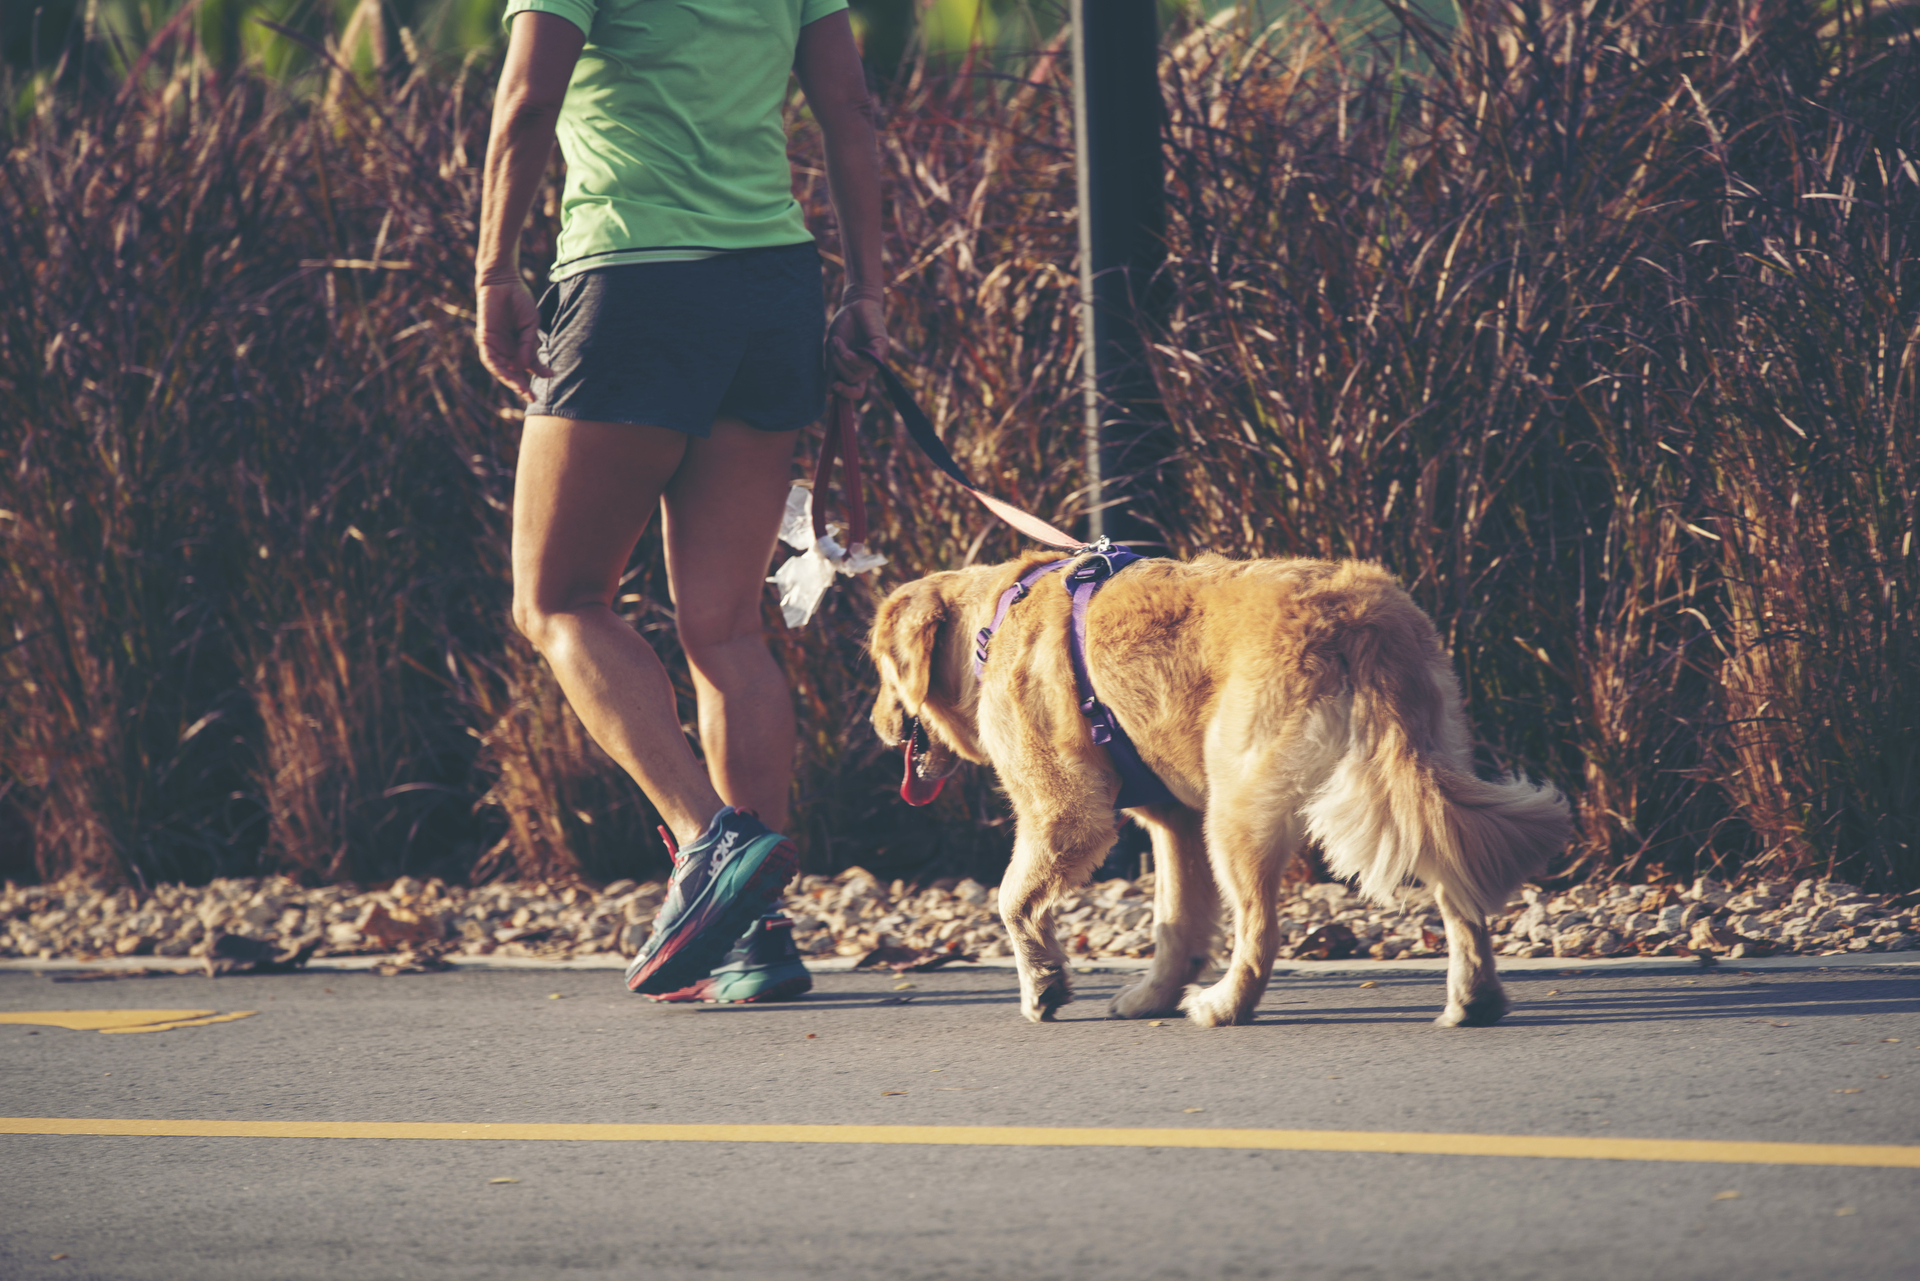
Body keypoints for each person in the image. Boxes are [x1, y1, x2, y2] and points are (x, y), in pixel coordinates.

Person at [475, 0, 886, 1001]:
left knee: (558, 600)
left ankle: (710, 842)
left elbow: (529, 101)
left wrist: (493, 270)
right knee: (727, 631)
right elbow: (849, 108)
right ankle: (757, 938)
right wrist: (867, 290)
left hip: (635, 282)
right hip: (772, 288)